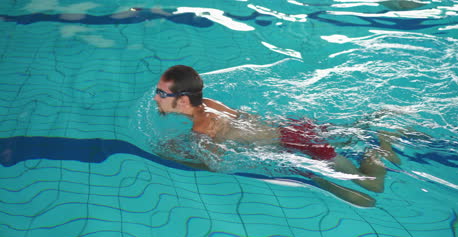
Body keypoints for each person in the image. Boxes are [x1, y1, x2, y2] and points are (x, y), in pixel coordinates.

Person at [153, 65, 401, 207]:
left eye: (161, 94)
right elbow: (244, 122)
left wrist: (175, 158)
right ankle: (374, 125)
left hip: (297, 142)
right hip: (291, 127)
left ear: (182, 100)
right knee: (348, 136)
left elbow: (215, 165)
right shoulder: (210, 103)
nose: (156, 98)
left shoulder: (200, 129)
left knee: (372, 188)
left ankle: (380, 148)